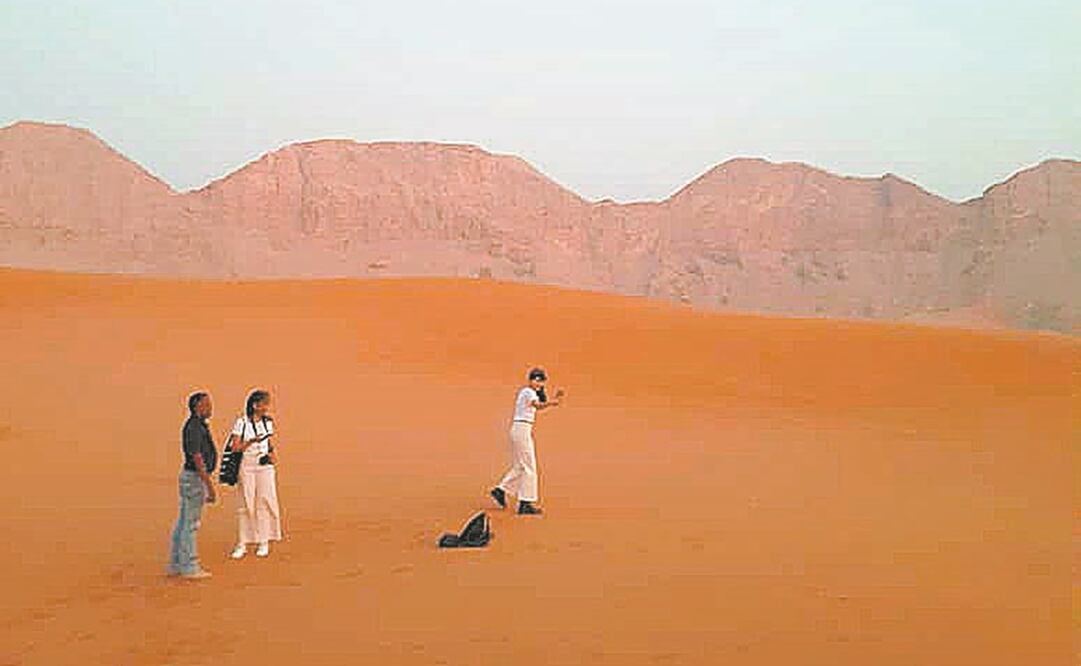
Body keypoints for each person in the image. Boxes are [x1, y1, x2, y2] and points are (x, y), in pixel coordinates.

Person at [490, 368, 564, 515]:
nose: (538, 382)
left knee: (520, 466)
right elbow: (537, 405)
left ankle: (500, 490)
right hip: (522, 428)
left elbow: (537, 405)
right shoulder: (528, 392)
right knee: (529, 467)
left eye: (540, 380)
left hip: (521, 428)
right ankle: (525, 503)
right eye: (535, 379)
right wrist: (553, 402)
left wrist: (552, 400)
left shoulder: (530, 393)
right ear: (530, 380)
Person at [168, 391, 218, 579]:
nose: (210, 408)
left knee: (183, 522)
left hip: (192, 478)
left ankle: (176, 564)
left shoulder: (197, 426)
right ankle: (189, 566)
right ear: (198, 407)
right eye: (207, 405)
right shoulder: (194, 428)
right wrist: (209, 485)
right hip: (195, 479)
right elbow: (197, 458)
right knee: (190, 524)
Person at [227, 390, 283, 559]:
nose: (267, 407)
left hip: (265, 467)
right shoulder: (241, 423)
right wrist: (251, 441)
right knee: (246, 503)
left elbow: (268, 442)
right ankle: (243, 542)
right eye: (264, 404)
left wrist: (272, 454)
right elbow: (235, 447)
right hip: (247, 466)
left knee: (265, 501)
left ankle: (263, 541)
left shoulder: (268, 422)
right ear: (255, 405)